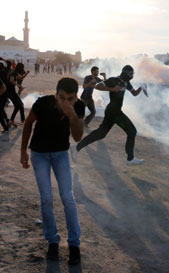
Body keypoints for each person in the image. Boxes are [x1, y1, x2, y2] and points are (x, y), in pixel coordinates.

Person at [20, 77, 84, 265]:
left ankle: (74, 244)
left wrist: (72, 115)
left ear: (75, 97)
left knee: (67, 197)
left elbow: (78, 136)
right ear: (56, 95)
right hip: (39, 154)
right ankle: (53, 241)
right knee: (46, 198)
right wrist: (23, 151)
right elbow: (28, 124)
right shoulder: (43, 103)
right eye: (62, 98)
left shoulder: (78, 107)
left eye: (70, 98)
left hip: (60, 154)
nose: (65, 102)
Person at [72, 65, 148, 165]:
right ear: (125, 73)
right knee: (132, 131)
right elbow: (97, 86)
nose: (131, 76)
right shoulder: (113, 80)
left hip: (113, 111)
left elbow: (134, 93)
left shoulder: (126, 83)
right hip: (114, 112)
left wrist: (141, 88)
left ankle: (76, 147)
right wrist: (112, 89)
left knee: (101, 133)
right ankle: (130, 159)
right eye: (130, 74)